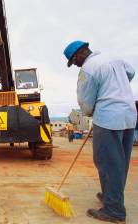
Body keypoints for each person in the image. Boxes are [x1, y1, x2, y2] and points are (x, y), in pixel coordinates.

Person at [64, 40, 136, 223]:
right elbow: (131, 72)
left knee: (107, 162)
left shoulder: (88, 69)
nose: (76, 65)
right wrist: (114, 87)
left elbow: (86, 104)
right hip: (129, 115)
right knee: (120, 162)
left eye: (74, 62)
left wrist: (92, 110)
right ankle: (111, 196)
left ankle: (114, 211)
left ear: (78, 55)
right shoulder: (114, 58)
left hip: (109, 119)